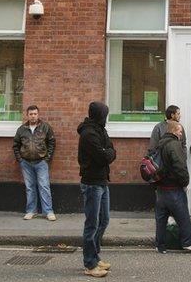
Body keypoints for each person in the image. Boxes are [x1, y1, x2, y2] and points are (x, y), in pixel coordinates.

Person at [77, 101, 116, 277]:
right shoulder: (88, 134)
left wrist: (108, 151)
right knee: (91, 225)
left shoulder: (101, 130)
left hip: (102, 181)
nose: (105, 118)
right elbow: (103, 156)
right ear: (98, 115)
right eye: (104, 114)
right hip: (92, 183)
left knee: (104, 221)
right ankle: (89, 264)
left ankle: (95, 255)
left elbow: (111, 149)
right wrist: (107, 152)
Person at [155, 120, 191, 253]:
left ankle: (160, 245)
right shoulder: (174, 145)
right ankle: (188, 242)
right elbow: (180, 166)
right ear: (174, 131)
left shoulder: (160, 144)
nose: (181, 133)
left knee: (161, 219)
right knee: (183, 217)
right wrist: (185, 182)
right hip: (173, 188)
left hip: (160, 188)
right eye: (180, 131)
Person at [13, 105, 57, 221]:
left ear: (38, 114)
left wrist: (47, 158)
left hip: (41, 162)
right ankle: (31, 211)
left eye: (35, 114)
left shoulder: (45, 127)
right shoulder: (21, 129)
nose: (33, 116)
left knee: (44, 186)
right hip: (26, 163)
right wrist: (20, 159)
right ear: (27, 115)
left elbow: (52, 142)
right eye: (31, 114)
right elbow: (16, 145)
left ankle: (48, 211)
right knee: (30, 187)